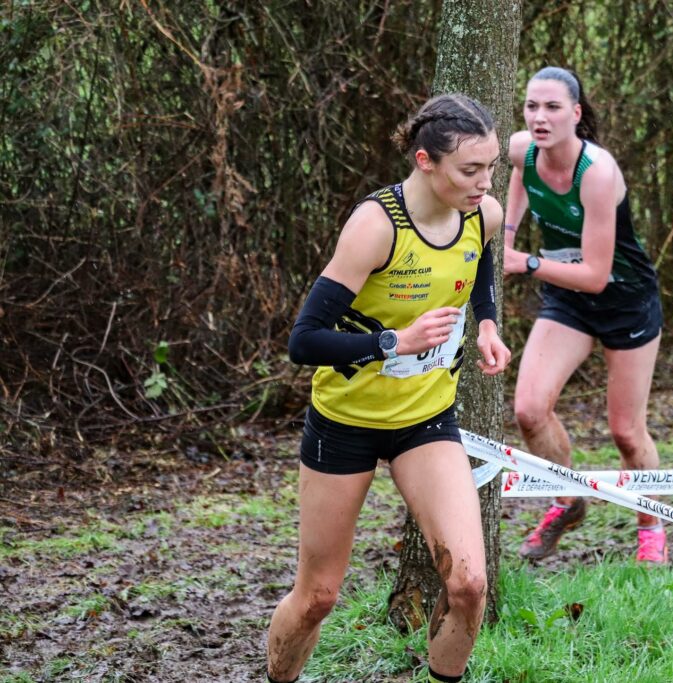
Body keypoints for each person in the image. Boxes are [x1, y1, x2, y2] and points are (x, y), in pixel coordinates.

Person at [266, 94, 511, 683]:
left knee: (469, 584)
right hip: (344, 422)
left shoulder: (485, 215)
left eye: (492, 168)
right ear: (425, 160)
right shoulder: (376, 226)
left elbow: (477, 270)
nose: (484, 183)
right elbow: (304, 341)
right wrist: (392, 343)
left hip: (425, 421)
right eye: (470, 170)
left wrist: (486, 324)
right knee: (319, 595)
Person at [503, 67, 667, 564]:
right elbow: (519, 179)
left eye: (552, 107)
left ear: (575, 113)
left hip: (624, 299)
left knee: (626, 432)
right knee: (529, 410)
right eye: (532, 106)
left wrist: (527, 261)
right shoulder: (519, 149)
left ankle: (651, 528)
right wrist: (506, 236)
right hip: (566, 299)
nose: (539, 117)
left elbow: (596, 274)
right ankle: (568, 501)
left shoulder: (597, 172)